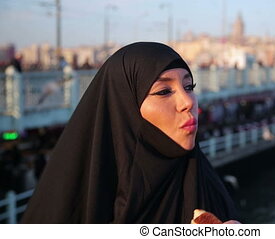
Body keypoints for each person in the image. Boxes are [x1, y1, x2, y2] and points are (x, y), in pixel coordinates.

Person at [21, 42, 239, 223]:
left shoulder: (206, 184)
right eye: (164, 91)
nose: (187, 102)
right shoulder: (72, 205)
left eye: (189, 87)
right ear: (126, 107)